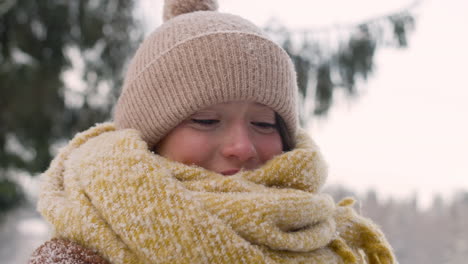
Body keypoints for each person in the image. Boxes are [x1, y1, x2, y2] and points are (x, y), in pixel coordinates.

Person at [29, 0, 396, 263]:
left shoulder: (334, 247)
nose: (241, 147)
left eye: (264, 124)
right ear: (149, 138)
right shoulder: (77, 258)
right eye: (205, 121)